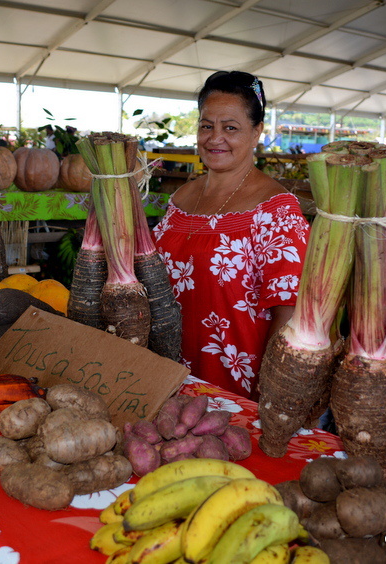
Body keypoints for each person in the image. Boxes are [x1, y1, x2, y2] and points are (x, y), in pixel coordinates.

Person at [153, 71, 310, 400]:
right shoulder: (180, 200)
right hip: (164, 380)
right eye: (206, 125)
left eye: (230, 127)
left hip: (237, 391)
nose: (214, 138)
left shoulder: (277, 211)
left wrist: (272, 393)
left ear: (256, 133)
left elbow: (290, 310)